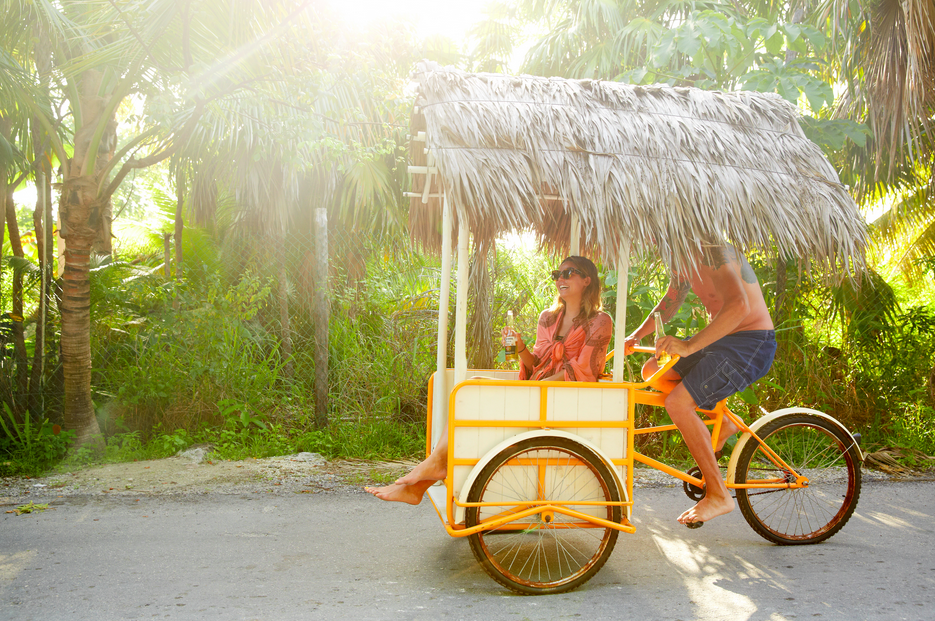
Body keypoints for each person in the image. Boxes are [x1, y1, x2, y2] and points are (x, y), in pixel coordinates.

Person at [367, 256, 613, 504]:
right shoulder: (548, 318)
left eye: (569, 273)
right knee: (473, 386)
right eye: (556, 274)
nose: (560, 279)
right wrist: (520, 347)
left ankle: (428, 473)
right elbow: (536, 365)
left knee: (476, 392)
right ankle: (426, 476)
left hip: (566, 399)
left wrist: (535, 388)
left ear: (587, 280)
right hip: (537, 392)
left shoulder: (600, 321)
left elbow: (582, 371)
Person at [622, 242, 776, 526]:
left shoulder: (715, 251)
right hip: (721, 341)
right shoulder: (682, 259)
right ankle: (722, 420)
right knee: (652, 370)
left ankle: (719, 495)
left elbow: (740, 305)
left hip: (750, 342)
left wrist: (689, 345)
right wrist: (635, 336)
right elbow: (669, 303)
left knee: (678, 404)